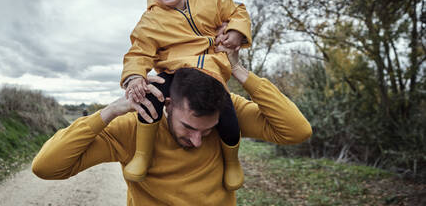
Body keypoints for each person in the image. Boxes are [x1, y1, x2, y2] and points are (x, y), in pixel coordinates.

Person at [32, 47, 312, 206]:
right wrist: (109, 111)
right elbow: (46, 167)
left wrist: (239, 71)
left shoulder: (230, 112)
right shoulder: (134, 126)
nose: (198, 140)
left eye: (208, 130)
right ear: (168, 104)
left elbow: (297, 130)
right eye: (189, 127)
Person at [121, 0, 252, 189]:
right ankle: (143, 154)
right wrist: (135, 77)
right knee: (152, 98)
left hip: (210, 71)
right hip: (174, 73)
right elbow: (138, 52)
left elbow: (238, 11)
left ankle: (232, 162)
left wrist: (235, 32)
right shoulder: (151, 21)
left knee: (226, 114)